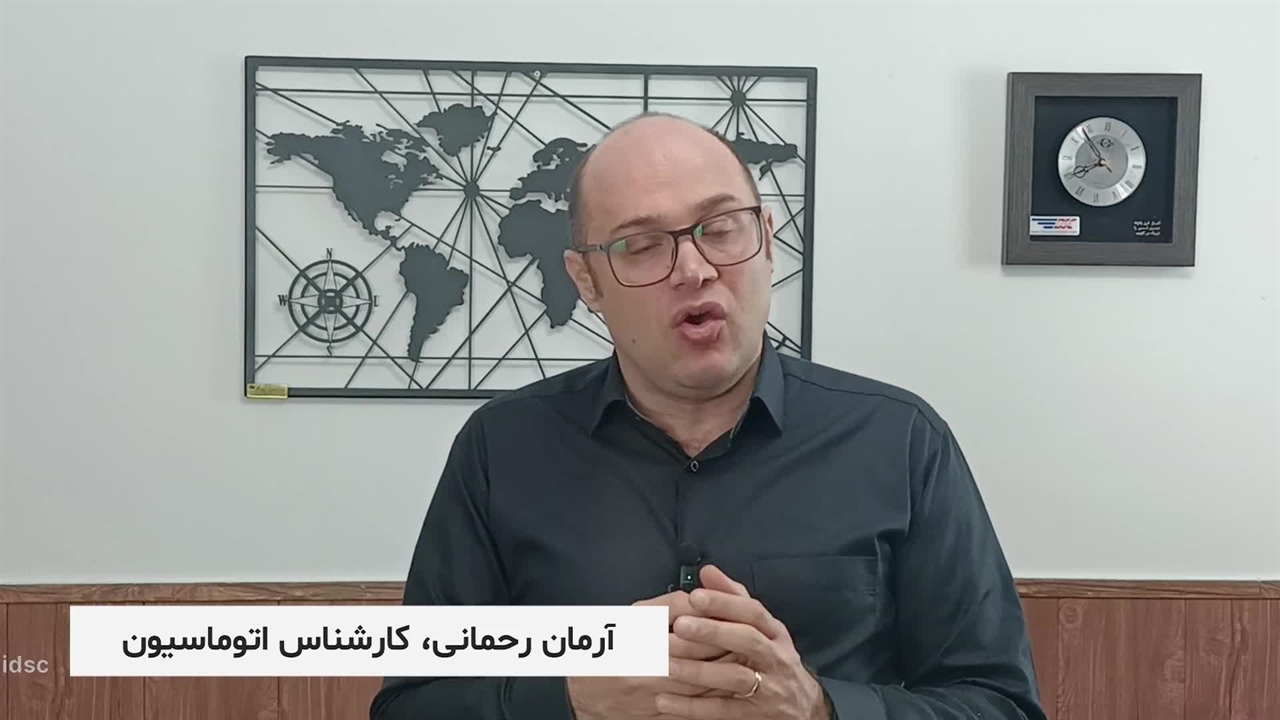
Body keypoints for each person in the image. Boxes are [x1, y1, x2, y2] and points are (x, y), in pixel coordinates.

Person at [369, 112, 1047, 720]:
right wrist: (572, 698)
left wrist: (820, 710)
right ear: (587, 282)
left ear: (769, 241)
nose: (693, 269)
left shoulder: (899, 440)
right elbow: (413, 704)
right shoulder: (502, 448)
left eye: (720, 230)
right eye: (642, 245)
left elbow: (999, 705)